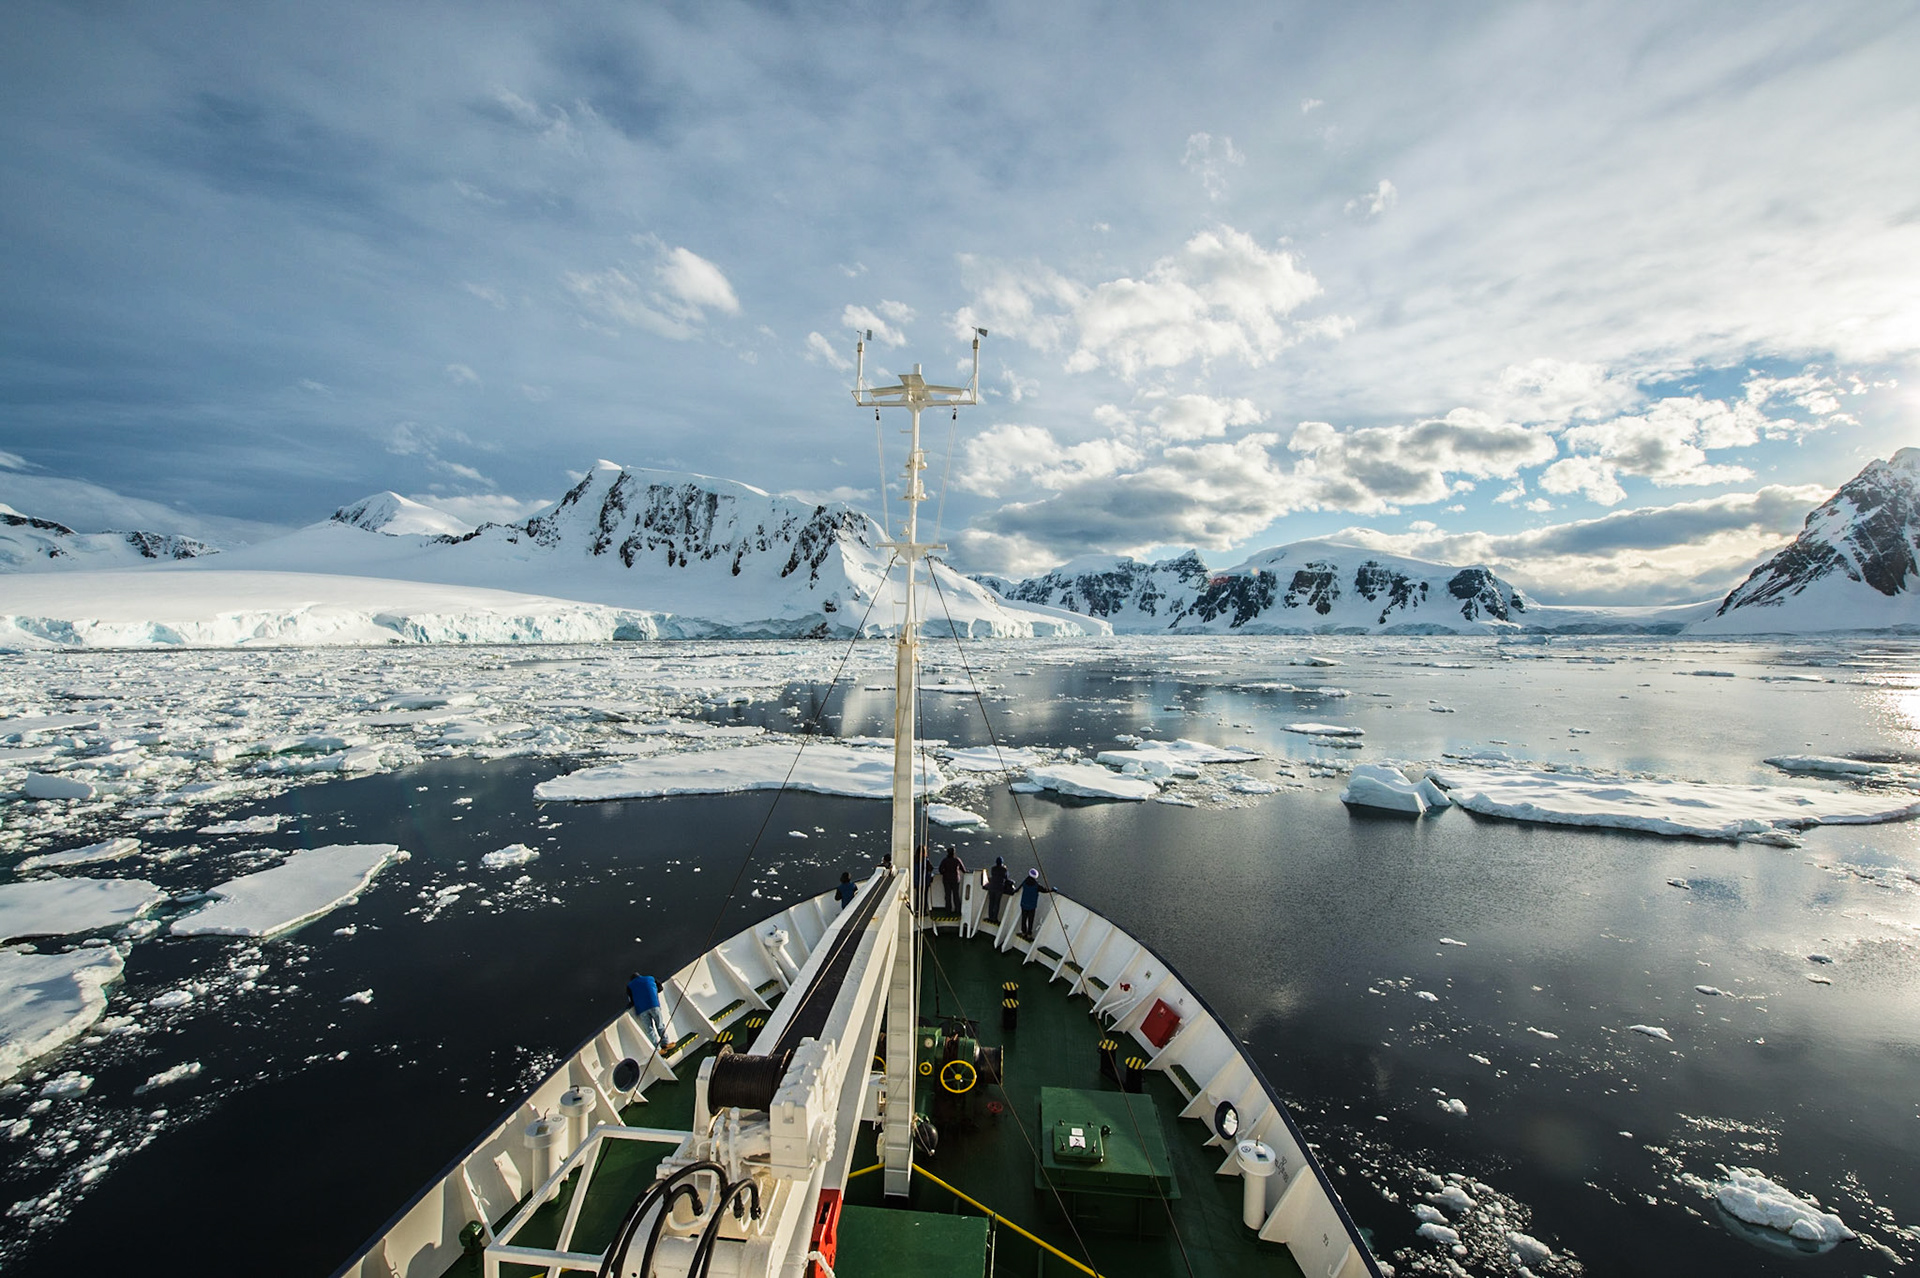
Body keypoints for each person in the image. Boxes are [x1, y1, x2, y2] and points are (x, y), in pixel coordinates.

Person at [627, 972, 670, 1049]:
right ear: (640, 975)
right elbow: (660, 988)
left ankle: (657, 1049)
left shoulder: (629, 986)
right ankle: (665, 1043)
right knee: (660, 1025)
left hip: (641, 1009)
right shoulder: (650, 978)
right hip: (654, 1005)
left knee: (649, 1030)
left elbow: (631, 1001)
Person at [1018, 869, 1052, 941]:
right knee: (1030, 920)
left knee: (1024, 919)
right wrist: (1052, 890)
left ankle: (1023, 932)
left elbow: (1018, 889)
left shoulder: (1025, 882)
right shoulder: (1036, 885)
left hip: (1024, 904)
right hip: (1032, 906)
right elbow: (1045, 890)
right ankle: (1029, 934)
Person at [937, 845, 967, 913]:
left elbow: (940, 870)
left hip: (946, 879)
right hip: (955, 880)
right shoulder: (957, 860)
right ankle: (958, 909)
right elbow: (963, 870)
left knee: (948, 895)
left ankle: (948, 910)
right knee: (956, 895)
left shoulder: (945, 860)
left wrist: (945, 873)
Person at [985, 856, 1014, 925]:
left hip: (992, 887)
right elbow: (1006, 877)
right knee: (996, 904)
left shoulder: (993, 868)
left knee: (991, 903)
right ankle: (994, 919)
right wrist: (1005, 868)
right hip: (999, 888)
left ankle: (990, 917)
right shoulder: (1004, 870)